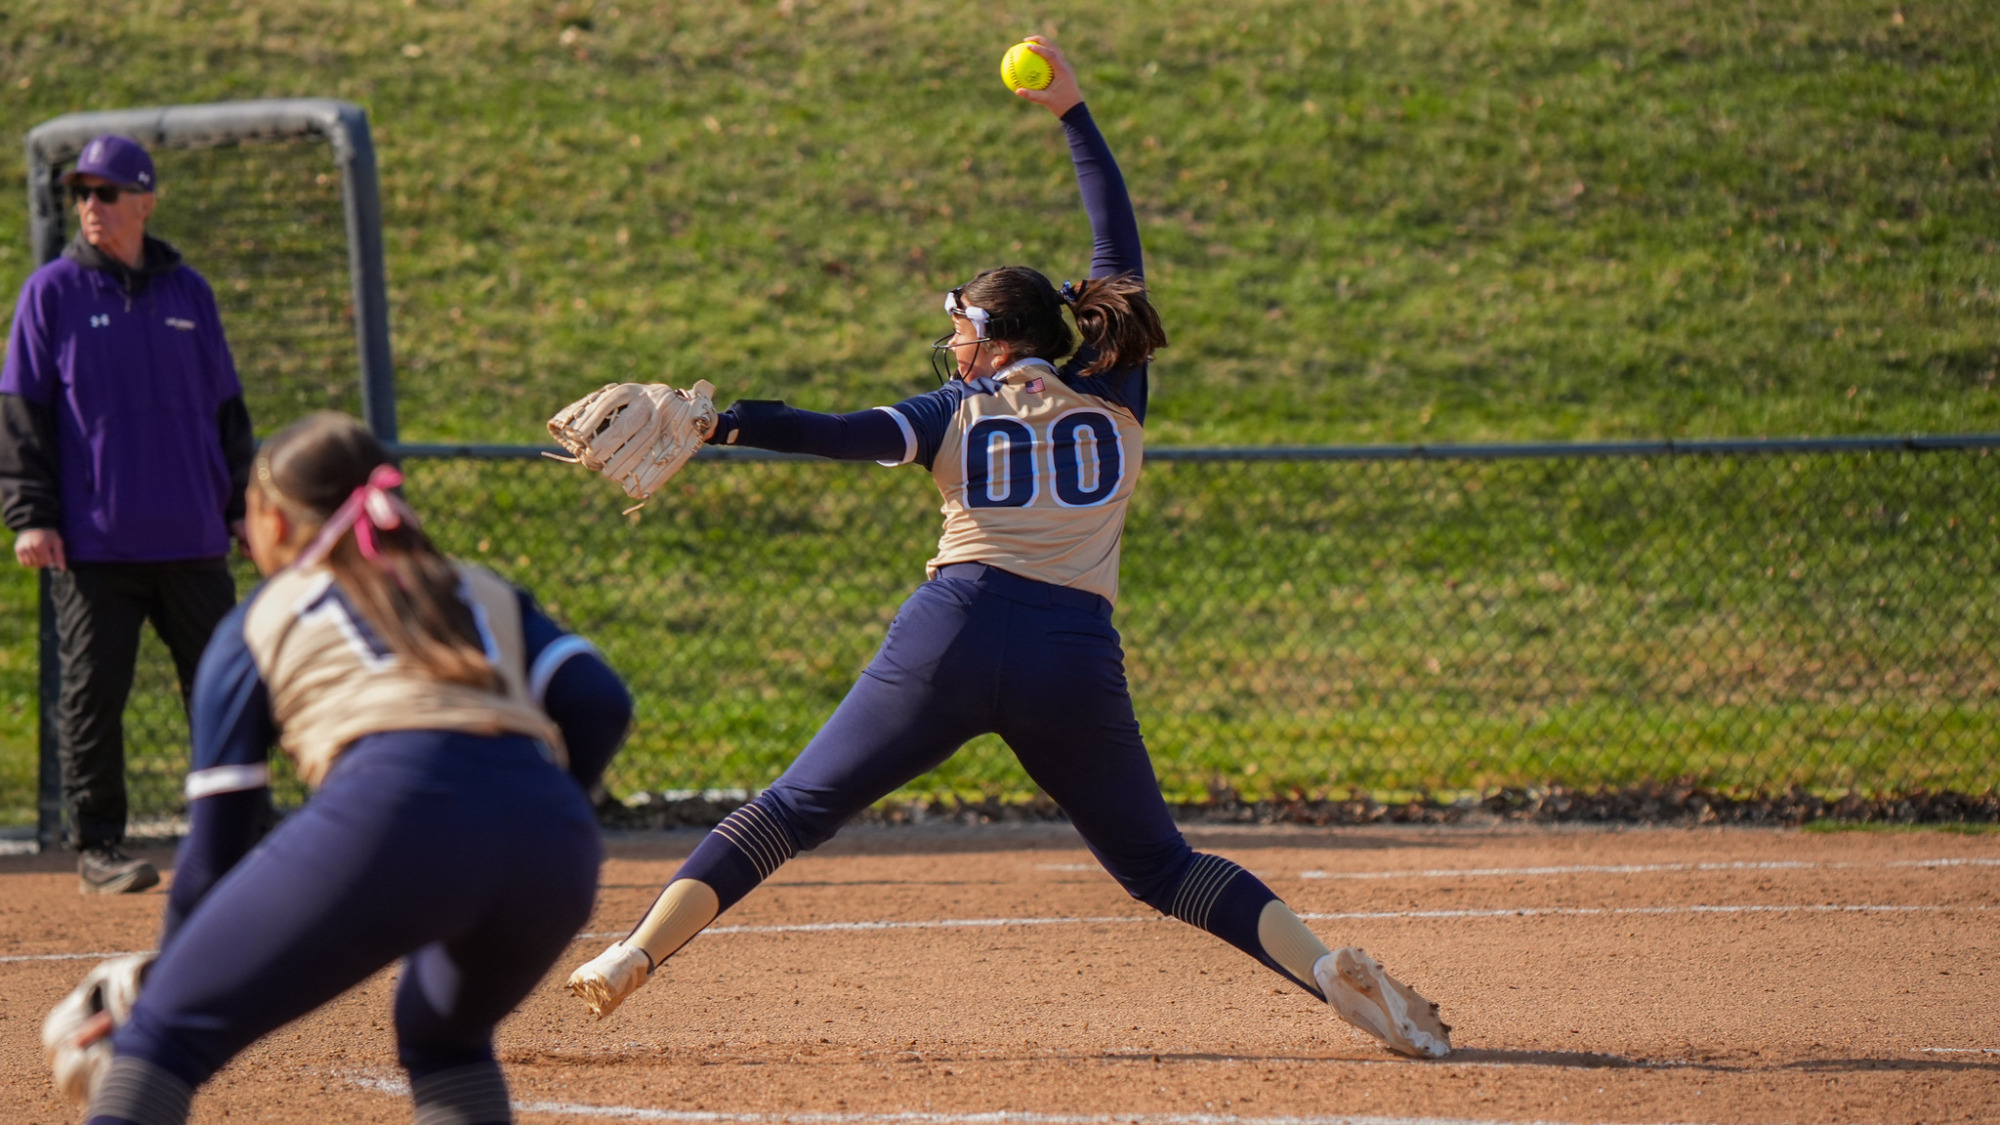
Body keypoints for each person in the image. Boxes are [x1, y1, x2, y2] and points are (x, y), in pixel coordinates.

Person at [565, 38, 1452, 1060]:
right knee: (1160, 866)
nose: (950, 342)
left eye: (959, 326)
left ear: (991, 337)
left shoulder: (957, 408)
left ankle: (632, 956)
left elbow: (842, 433)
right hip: (1072, 652)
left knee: (793, 808)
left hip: (950, 633)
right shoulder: (1114, 387)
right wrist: (1072, 110)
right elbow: (1114, 246)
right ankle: (1320, 967)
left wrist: (724, 422)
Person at [71, 412, 633, 1125]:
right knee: (444, 1038)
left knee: (161, 1039)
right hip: (554, 846)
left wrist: (161, 995)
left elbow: (219, 844)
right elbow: (601, 702)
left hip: (392, 811)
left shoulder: (265, 615)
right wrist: (539, 807)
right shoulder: (474, 586)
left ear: (276, 520)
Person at [0, 134, 255, 894]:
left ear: (144, 200)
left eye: (106, 192)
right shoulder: (51, 293)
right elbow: (22, 415)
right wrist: (31, 515)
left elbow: (228, 412)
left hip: (193, 536)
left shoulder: (190, 295)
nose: (90, 206)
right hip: (95, 541)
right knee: (93, 695)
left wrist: (242, 506)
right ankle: (100, 845)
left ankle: (237, 833)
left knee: (225, 684)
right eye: (81, 193)